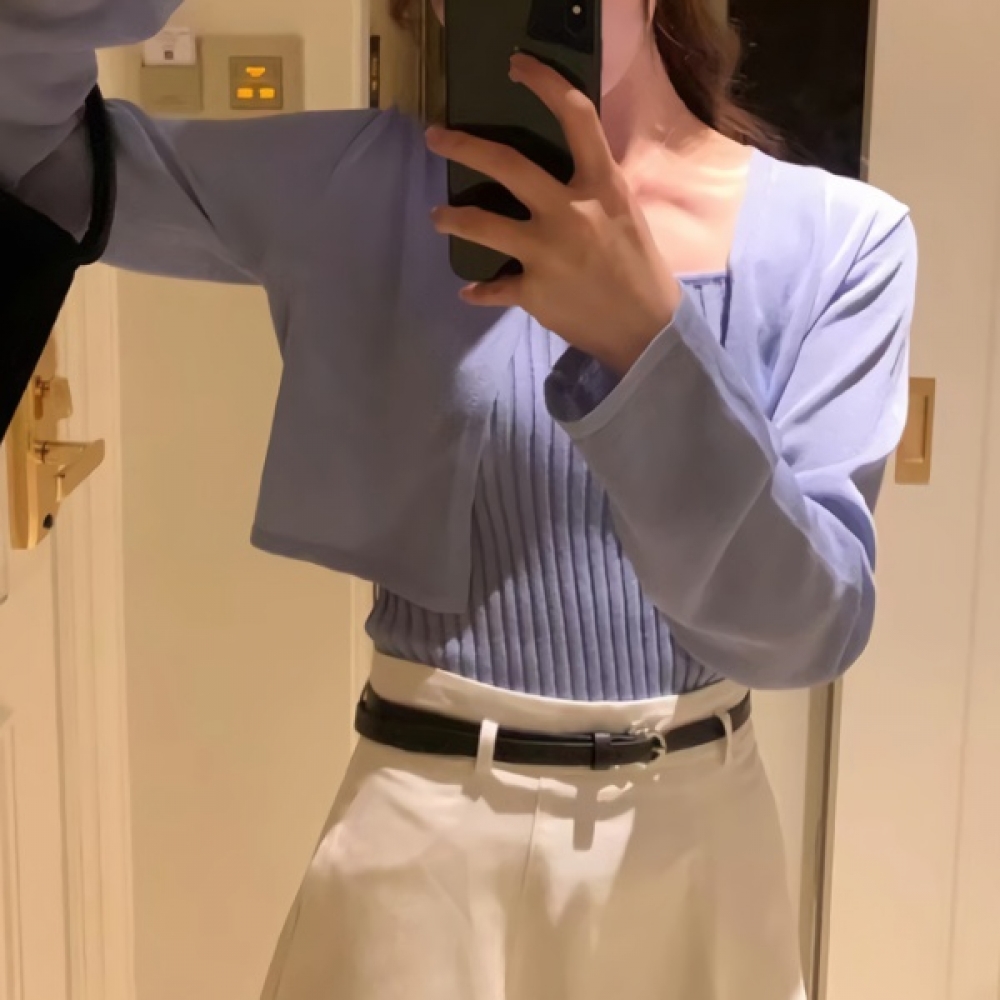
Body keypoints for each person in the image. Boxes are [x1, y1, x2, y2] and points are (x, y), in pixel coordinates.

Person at [0, 0, 917, 997]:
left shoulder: (842, 243)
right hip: (424, 836)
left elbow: (802, 635)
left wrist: (645, 341)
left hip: (697, 849)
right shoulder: (364, 185)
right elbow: (38, 162)